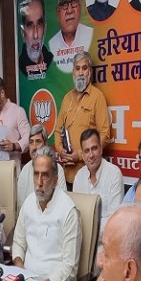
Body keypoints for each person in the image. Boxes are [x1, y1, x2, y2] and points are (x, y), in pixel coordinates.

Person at [12, 147, 80, 281]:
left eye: (45, 176)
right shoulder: (29, 202)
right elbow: (18, 243)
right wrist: (20, 268)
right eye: (36, 174)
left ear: (55, 181)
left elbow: (69, 268)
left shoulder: (69, 211)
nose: (39, 182)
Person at [53, 52, 111, 185]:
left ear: (90, 71)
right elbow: (57, 130)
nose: (80, 73)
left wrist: (80, 155)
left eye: (84, 68)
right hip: (66, 174)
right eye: (77, 68)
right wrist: (61, 152)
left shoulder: (97, 97)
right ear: (73, 72)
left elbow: (105, 135)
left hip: (88, 175)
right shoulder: (67, 98)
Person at [73, 129, 123, 244]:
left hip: (107, 244)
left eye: (94, 148)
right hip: (83, 242)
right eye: (86, 151)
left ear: (101, 149)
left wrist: (86, 228)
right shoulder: (79, 177)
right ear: (82, 155)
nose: (91, 155)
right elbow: (76, 217)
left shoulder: (114, 174)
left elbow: (114, 221)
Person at [49, 0, 94, 73]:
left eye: (74, 0)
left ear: (80, 5)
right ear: (58, 11)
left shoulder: (91, 35)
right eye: (64, 3)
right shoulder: (51, 45)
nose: (69, 10)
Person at [17, 125, 66, 207]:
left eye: (38, 141)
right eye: (31, 142)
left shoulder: (57, 169)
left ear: (46, 145)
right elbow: (20, 204)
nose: (34, 147)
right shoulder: (25, 170)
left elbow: (62, 202)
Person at [18, 0, 55, 80]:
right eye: (30, 26)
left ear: (44, 28)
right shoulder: (19, 67)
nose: (35, 35)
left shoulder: (51, 60)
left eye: (39, 24)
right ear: (23, 33)